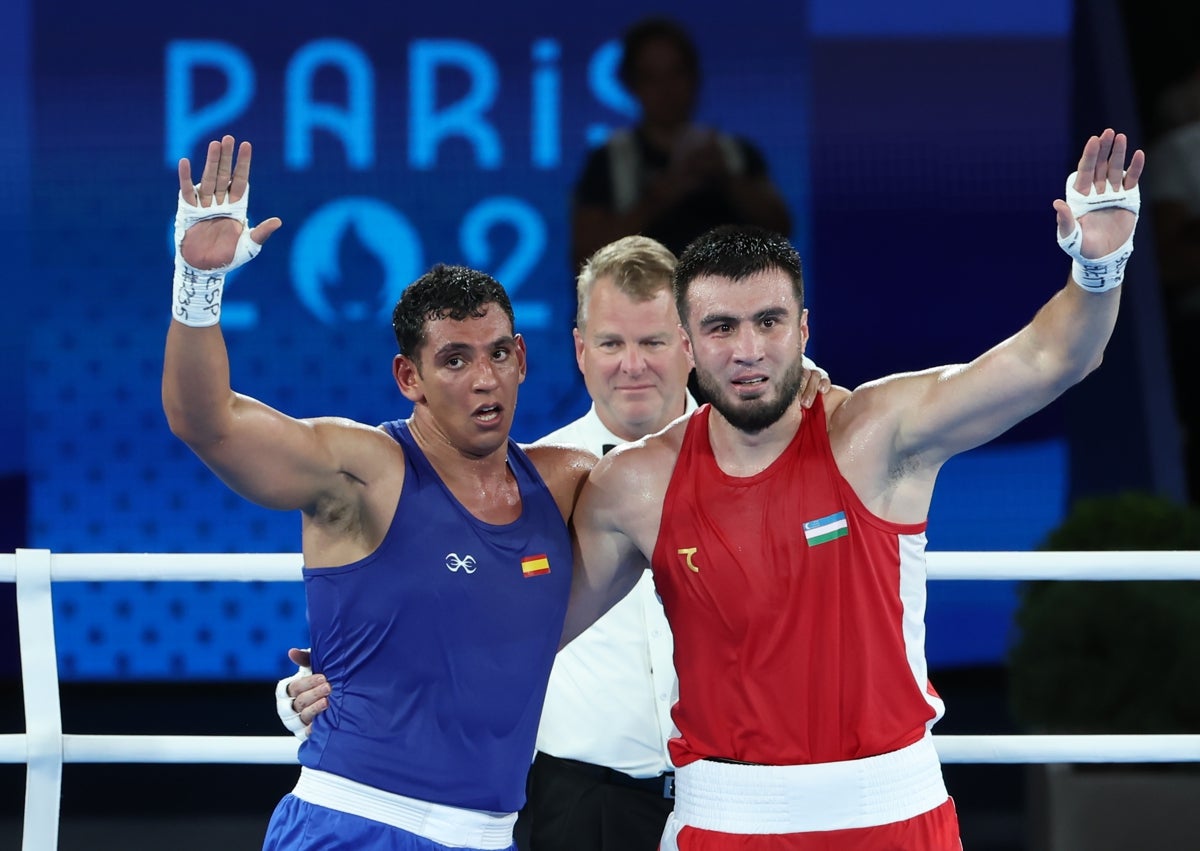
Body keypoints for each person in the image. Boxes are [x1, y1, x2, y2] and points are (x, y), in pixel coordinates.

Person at [556, 128, 1143, 849]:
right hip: (722, 822)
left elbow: (1053, 357)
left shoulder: (877, 435)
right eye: (721, 327)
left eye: (769, 322)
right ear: (686, 343)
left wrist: (1100, 266)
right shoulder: (636, 484)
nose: (748, 351)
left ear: (803, 328)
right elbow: (520, 635)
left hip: (893, 818)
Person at [280, 235, 830, 851]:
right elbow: (442, 617)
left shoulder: (773, 460)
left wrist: (798, 395)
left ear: (691, 342)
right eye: (610, 343)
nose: (633, 364)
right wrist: (334, 686)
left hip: (741, 791)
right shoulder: (536, 483)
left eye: (651, 341)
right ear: (578, 350)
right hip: (579, 799)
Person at [164, 135, 596, 850]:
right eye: (454, 359)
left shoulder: (568, 481)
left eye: (496, 354)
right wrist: (197, 285)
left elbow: (686, 459)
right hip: (356, 821)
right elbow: (205, 422)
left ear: (522, 358)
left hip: (489, 834)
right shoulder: (366, 469)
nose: (483, 379)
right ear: (409, 378)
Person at [570, 16, 792, 270]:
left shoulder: (735, 154)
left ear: (695, 77)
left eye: (676, 72)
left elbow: (781, 233)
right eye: (650, 76)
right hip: (639, 307)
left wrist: (727, 181)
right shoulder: (608, 160)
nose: (666, 89)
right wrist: (664, 193)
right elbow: (585, 258)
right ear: (631, 85)